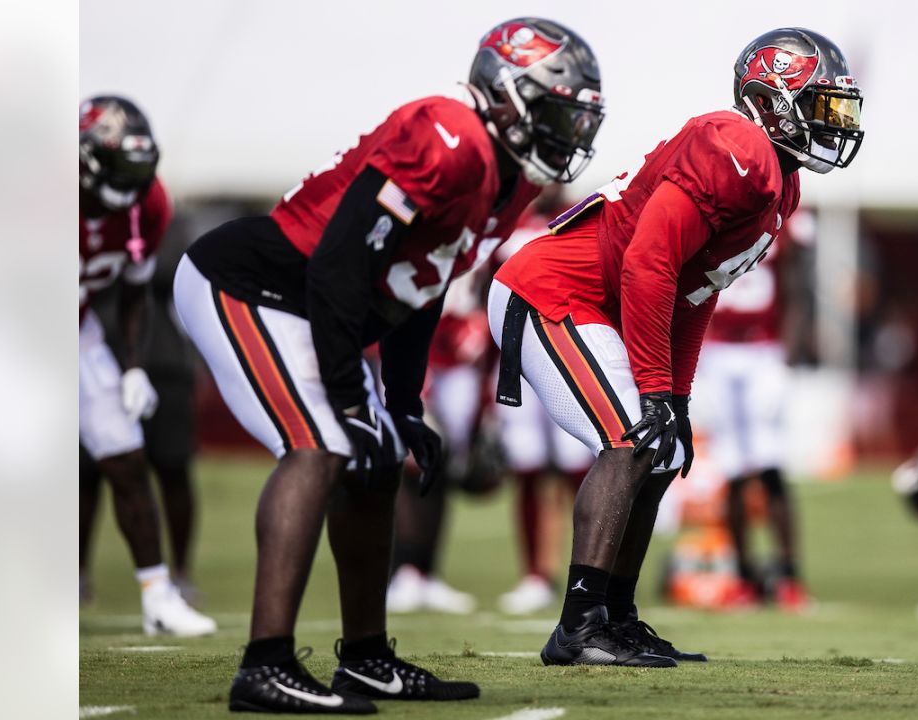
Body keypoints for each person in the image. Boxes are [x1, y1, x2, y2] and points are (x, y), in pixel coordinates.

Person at [172, 18, 603, 713]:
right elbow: (343, 261)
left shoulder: (507, 178)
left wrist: (404, 404)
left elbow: (418, 285)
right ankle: (265, 665)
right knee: (322, 444)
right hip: (254, 284)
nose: (568, 131)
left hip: (317, 302)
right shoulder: (448, 133)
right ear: (505, 95)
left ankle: (367, 660)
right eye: (557, 109)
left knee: (376, 464)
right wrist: (349, 394)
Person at [490, 27, 863, 666]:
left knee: (660, 449)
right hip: (554, 291)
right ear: (775, 99)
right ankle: (579, 626)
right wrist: (656, 391)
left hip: (601, 306)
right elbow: (649, 263)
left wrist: (679, 400)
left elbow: (698, 293)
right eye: (823, 105)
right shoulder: (736, 145)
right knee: (632, 437)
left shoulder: (780, 180)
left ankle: (616, 617)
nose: (835, 123)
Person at [78, 95, 218, 637]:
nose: (129, 187)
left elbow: (136, 292)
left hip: (80, 331)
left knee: (126, 455)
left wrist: (133, 366)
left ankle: (158, 596)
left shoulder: (147, 203)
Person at [80, 215, 204, 605]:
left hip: (162, 359)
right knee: (87, 473)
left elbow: (174, 271)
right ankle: (77, 572)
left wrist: (126, 255)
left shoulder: (161, 218)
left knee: (172, 467)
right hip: (94, 355)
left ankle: (180, 573)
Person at [699, 207, 816, 612]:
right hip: (716, 350)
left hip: (764, 349)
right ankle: (744, 575)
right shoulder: (710, 216)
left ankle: (788, 574)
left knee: (770, 463)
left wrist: (789, 350)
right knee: (731, 468)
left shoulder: (786, 221)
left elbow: (799, 290)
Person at [493, 189, 596, 615]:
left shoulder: (583, 216)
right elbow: (491, 300)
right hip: (515, 360)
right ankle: (536, 573)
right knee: (527, 466)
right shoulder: (506, 226)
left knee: (579, 467)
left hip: (566, 355)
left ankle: (588, 574)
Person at [384, 270, 486, 615]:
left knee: (441, 466)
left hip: (462, 345)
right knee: (409, 459)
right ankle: (403, 569)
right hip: (413, 332)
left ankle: (425, 571)